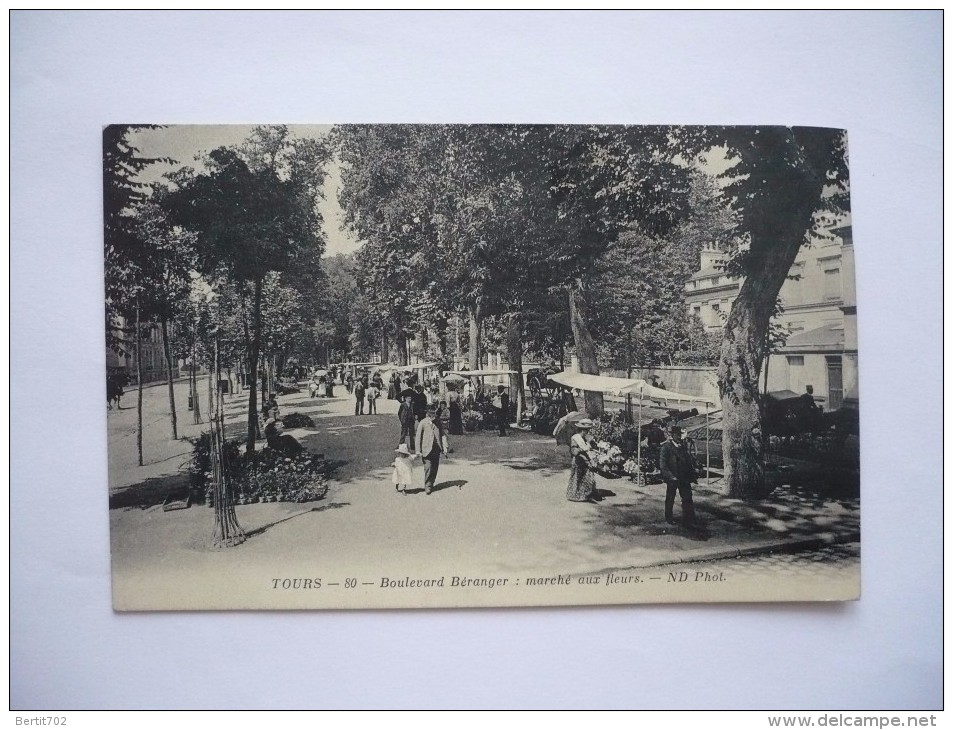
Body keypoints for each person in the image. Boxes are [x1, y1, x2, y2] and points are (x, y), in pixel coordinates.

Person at [659, 425, 700, 529]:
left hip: (684, 477)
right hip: (673, 477)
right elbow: (663, 464)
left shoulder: (683, 446)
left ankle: (689, 518)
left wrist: (693, 470)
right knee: (670, 498)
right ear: (672, 435)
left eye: (680, 435)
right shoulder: (666, 447)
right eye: (676, 435)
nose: (678, 437)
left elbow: (688, 460)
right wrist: (670, 476)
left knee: (687, 497)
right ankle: (669, 517)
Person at [415, 405, 445, 495]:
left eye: (435, 414)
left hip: (436, 448)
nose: (433, 416)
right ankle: (427, 485)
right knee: (428, 467)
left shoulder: (438, 422)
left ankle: (431, 482)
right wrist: (418, 450)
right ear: (428, 414)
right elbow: (418, 437)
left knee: (435, 467)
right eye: (431, 414)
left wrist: (445, 447)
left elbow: (443, 434)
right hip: (426, 449)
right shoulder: (423, 423)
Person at [566, 418, 598, 502]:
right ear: (582, 430)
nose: (587, 432)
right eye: (586, 431)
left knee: (587, 476)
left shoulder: (585, 438)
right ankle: (575, 495)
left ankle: (585, 494)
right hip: (578, 460)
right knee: (577, 478)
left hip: (585, 459)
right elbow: (575, 451)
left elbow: (589, 448)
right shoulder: (575, 438)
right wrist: (583, 450)